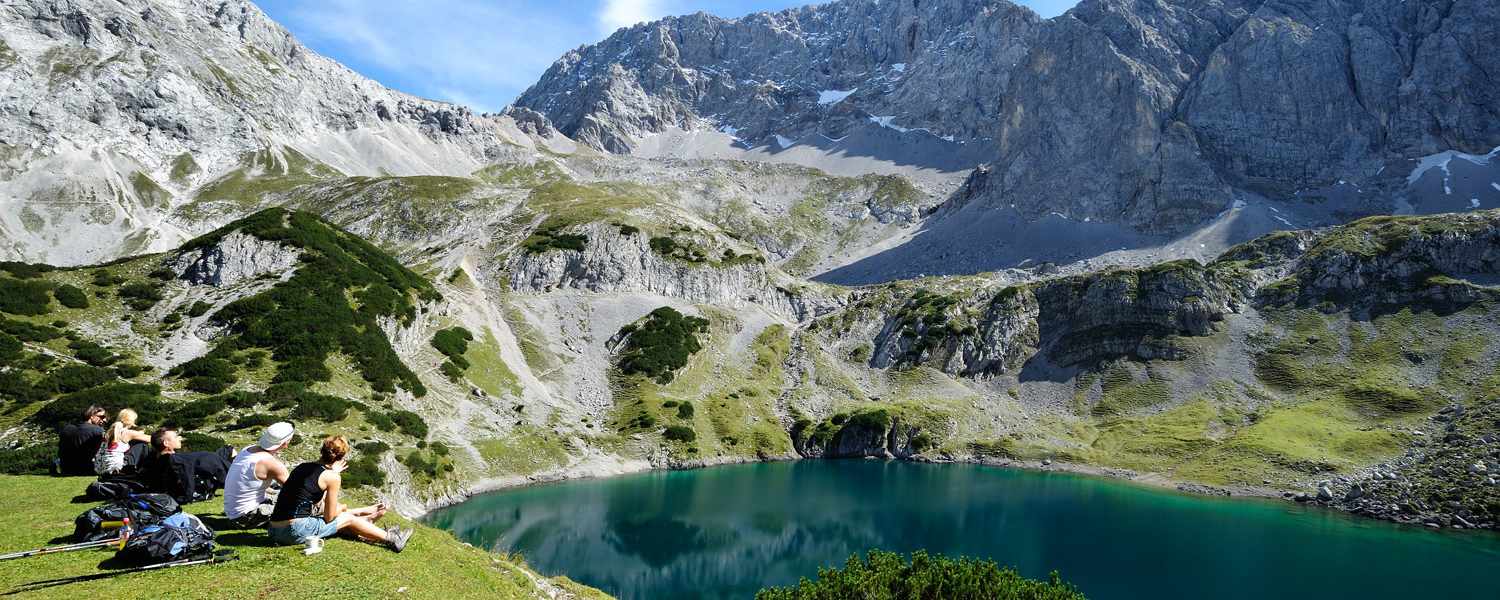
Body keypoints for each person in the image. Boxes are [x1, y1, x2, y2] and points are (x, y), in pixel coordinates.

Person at [267, 436, 410, 552]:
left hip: (273, 529)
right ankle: (392, 539)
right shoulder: (332, 477)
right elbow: (329, 517)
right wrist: (342, 508)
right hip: (293, 531)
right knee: (346, 517)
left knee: (340, 519)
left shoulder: (302, 467)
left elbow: (314, 499)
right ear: (341, 457)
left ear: (322, 451)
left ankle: (368, 526)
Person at [223, 422, 294, 528]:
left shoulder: (248, 450)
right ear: (285, 444)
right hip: (247, 517)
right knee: (299, 505)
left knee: (278, 493)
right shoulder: (271, 463)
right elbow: (296, 491)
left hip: (233, 513)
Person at [146, 427, 232, 503]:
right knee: (224, 453)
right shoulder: (175, 460)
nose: (180, 438)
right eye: (175, 437)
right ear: (166, 443)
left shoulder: (157, 460)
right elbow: (187, 478)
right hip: (211, 471)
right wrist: (188, 496)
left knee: (226, 451)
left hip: (208, 468)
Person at [93, 408, 152, 476]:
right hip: (115, 468)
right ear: (132, 421)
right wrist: (141, 432)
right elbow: (153, 439)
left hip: (100, 468)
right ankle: (145, 471)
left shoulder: (110, 431)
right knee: (142, 445)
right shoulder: (127, 433)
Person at [56, 405, 107, 476]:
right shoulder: (98, 431)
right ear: (92, 416)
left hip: (66, 469)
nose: (105, 420)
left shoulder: (66, 429)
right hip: (86, 470)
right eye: (102, 417)